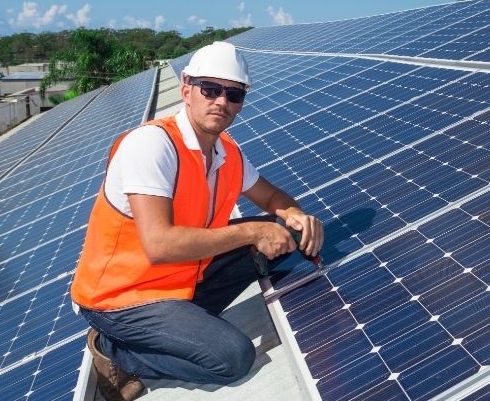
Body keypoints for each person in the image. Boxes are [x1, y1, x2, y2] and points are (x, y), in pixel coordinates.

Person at [70, 41, 324, 401]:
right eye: (211, 89)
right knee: (232, 357)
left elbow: (272, 198)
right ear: (187, 88)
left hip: (182, 278)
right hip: (122, 298)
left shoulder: (226, 152)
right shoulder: (152, 146)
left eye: (233, 94)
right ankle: (115, 350)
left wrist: (296, 215)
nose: (221, 101)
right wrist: (252, 231)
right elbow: (159, 245)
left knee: (286, 232)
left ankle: (183, 321)